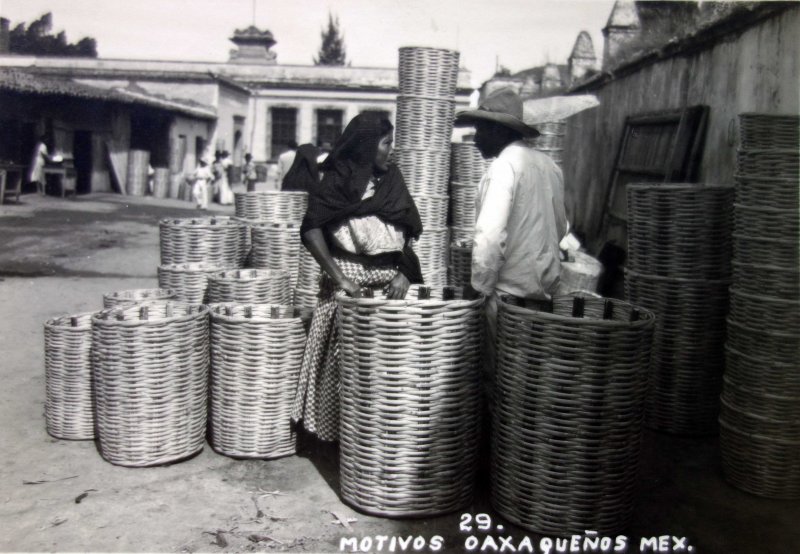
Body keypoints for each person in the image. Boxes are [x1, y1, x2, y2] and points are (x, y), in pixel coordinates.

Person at [291, 113, 424, 442]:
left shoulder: (391, 179)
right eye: (385, 144)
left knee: (385, 369)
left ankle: (378, 437)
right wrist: (341, 279)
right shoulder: (336, 182)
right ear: (366, 147)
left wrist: (405, 272)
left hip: (390, 289)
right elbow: (311, 230)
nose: (391, 151)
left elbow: (405, 232)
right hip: (349, 290)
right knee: (344, 367)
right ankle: (342, 440)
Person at [454, 87, 568, 405]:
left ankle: (497, 451)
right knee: (531, 383)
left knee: (499, 384)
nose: (475, 139)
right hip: (543, 297)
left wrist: (478, 288)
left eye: (480, 130)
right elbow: (561, 229)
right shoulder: (550, 167)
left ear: (496, 130)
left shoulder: (503, 168)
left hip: (507, 298)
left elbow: (490, 235)